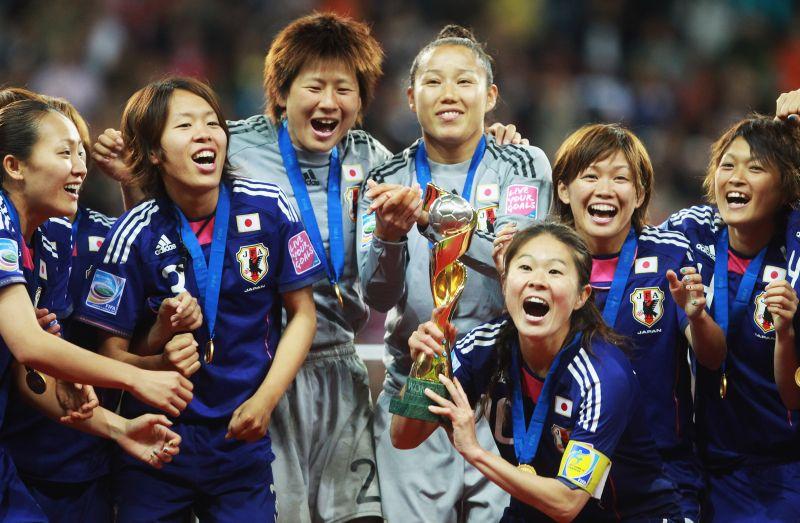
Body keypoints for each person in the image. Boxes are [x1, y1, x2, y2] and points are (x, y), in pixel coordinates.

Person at [74, 76, 322, 522]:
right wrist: (159, 339)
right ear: (153, 152)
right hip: (157, 440)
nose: (205, 133)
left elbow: (303, 314)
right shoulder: (132, 234)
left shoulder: (270, 208)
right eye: (185, 126)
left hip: (240, 437)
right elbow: (109, 356)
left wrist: (265, 400)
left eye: (212, 122)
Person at [358, 25, 552, 522]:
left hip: (501, 391)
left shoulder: (522, 165)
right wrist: (390, 235)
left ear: (490, 97)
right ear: (410, 98)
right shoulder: (385, 181)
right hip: (415, 379)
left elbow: (520, 266)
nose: (448, 95)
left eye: (464, 82)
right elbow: (377, 297)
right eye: (433, 83)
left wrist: (432, 218)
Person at [395, 222, 683, 521]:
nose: (538, 281)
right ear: (505, 283)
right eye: (525, 268)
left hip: (626, 516)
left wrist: (475, 451)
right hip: (534, 511)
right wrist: (425, 366)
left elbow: (567, 503)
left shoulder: (603, 375)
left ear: (581, 296)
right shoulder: (482, 347)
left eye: (555, 271)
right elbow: (403, 437)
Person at [0, 98, 190, 520]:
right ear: (15, 165)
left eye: (81, 152)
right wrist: (138, 378)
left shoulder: (38, 242)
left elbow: (23, 369)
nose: (81, 167)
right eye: (64, 152)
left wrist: (119, 427)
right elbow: (29, 347)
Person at [530, 123, 725, 520]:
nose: (605, 189)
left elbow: (711, 357)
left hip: (661, 472)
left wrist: (698, 317)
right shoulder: (542, 260)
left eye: (620, 178)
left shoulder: (670, 255)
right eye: (590, 176)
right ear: (564, 189)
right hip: (568, 471)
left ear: (639, 195)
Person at [662, 109, 800, 521]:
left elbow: (794, 395)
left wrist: (788, 332)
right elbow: (710, 357)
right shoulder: (691, 232)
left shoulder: (794, 253)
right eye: (727, 165)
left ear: (786, 186)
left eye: (755, 168)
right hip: (704, 463)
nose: (736, 178)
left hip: (783, 469)